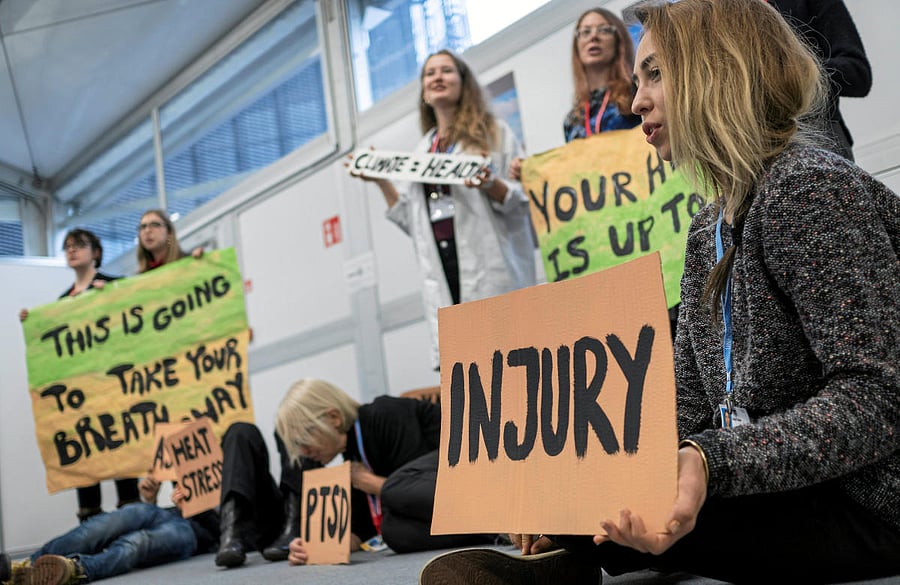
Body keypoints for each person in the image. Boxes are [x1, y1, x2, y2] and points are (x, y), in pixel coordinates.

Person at [420, 1, 900, 584]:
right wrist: (578, 484)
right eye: (635, 80)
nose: (635, 101)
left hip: (869, 500)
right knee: (602, 483)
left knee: (672, 499)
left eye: (654, 74)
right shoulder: (707, 229)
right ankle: (567, 548)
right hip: (780, 478)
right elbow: (691, 407)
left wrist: (705, 462)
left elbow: (878, 401)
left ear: (720, 70)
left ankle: (575, 556)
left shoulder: (809, 190)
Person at [349, 50, 537, 370]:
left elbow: (520, 201)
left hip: (488, 265)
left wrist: (489, 183)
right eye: (430, 73)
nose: (437, 77)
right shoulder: (422, 152)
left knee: (507, 362)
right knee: (467, 373)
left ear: (464, 83)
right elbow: (414, 222)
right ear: (424, 91)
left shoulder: (494, 133)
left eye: (447, 71)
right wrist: (382, 182)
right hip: (444, 265)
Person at [214, 379, 496, 569]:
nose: (303, 452)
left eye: (304, 439)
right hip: (449, 506)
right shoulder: (352, 455)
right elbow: (364, 530)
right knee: (392, 531)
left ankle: (496, 519)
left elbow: (417, 492)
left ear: (334, 418)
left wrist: (366, 483)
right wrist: (317, 548)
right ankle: (493, 532)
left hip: (471, 481)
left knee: (395, 490)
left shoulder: (385, 414)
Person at [19, 228, 140, 523]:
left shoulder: (114, 285)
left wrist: (111, 299)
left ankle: (132, 515)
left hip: (113, 389)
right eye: (67, 246)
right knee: (86, 452)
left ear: (96, 252)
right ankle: (91, 524)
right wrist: (32, 324)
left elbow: (136, 324)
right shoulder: (61, 304)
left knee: (121, 451)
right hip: (80, 396)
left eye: (79, 245)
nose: (72, 250)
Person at [0, 477, 219, 585]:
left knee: (136, 544)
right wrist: (151, 498)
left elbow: (224, 531)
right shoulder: (211, 462)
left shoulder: (244, 482)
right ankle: (26, 565)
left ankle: (76, 569)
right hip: (166, 512)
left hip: (194, 534)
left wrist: (196, 511)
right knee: (107, 524)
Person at [509, 8, 641, 180]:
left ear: (618, 41)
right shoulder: (573, 120)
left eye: (604, 29)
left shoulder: (637, 92)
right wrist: (529, 171)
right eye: (585, 32)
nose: (593, 36)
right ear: (577, 46)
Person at [770, 0, 872, 161]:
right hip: (751, 149)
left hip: (818, 139)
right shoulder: (720, 13)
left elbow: (857, 72)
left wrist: (788, 72)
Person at [137, 209, 202, 273]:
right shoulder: (138, 279)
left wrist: (202, 261)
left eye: (155, 225)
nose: (147, 230)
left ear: (169, 232)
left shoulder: (190, 263)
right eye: (143, 227)